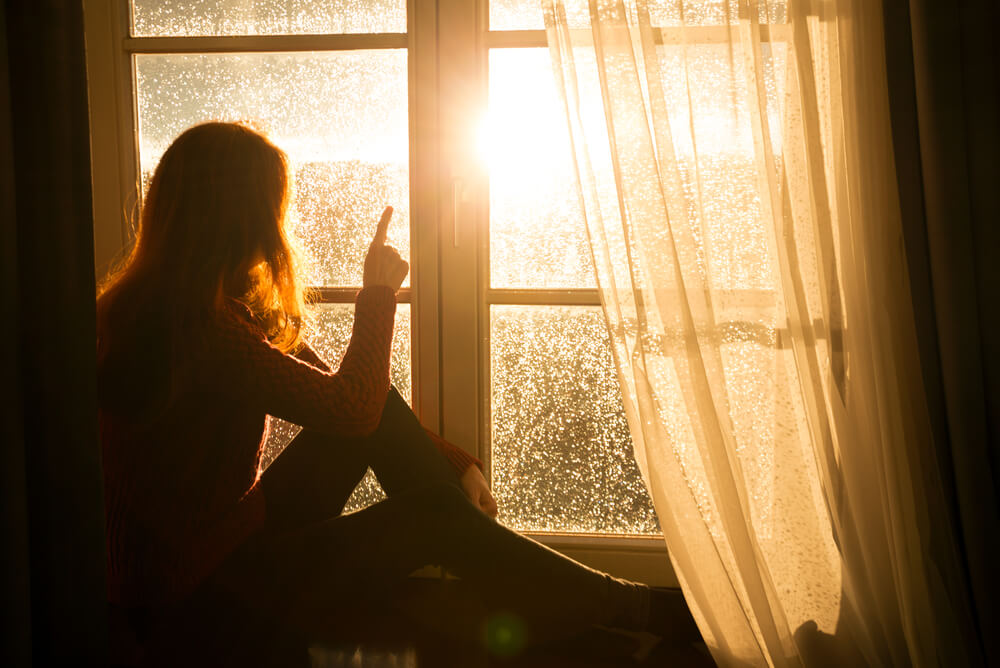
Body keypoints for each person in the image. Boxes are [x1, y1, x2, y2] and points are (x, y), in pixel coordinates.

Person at [97, 121, 700, 666]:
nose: (277, 230)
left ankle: (554, 603)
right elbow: (351, 407)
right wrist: (378, 293)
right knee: (430, 508)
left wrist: (451, 459)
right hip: (196, 597)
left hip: (223, 541)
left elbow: (352, 401)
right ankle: (632, 609)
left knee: (395, 438)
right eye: (270, 212)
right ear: (241, 219)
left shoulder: (181, 305)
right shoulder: (195, 329)